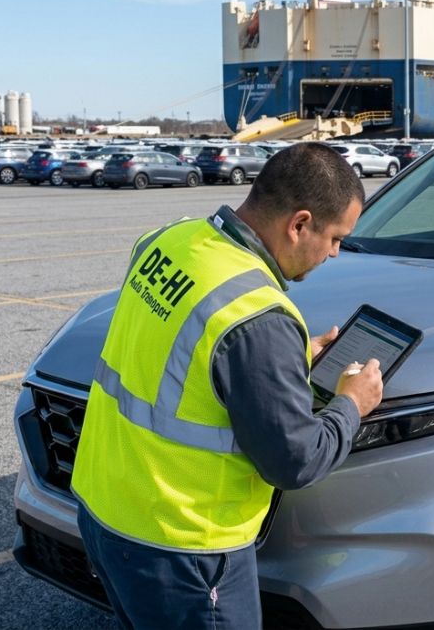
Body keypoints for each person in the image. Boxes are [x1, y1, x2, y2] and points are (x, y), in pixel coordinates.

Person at [70, 142, 384, 629]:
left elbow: (178, 350)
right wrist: (350, 405)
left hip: (106, 511)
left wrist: (285, 362)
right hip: (185, 548)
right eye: (336, 237)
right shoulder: (258, 316)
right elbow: (295, 461)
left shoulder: (168, 240)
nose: (336, 252)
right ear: (299, 224)